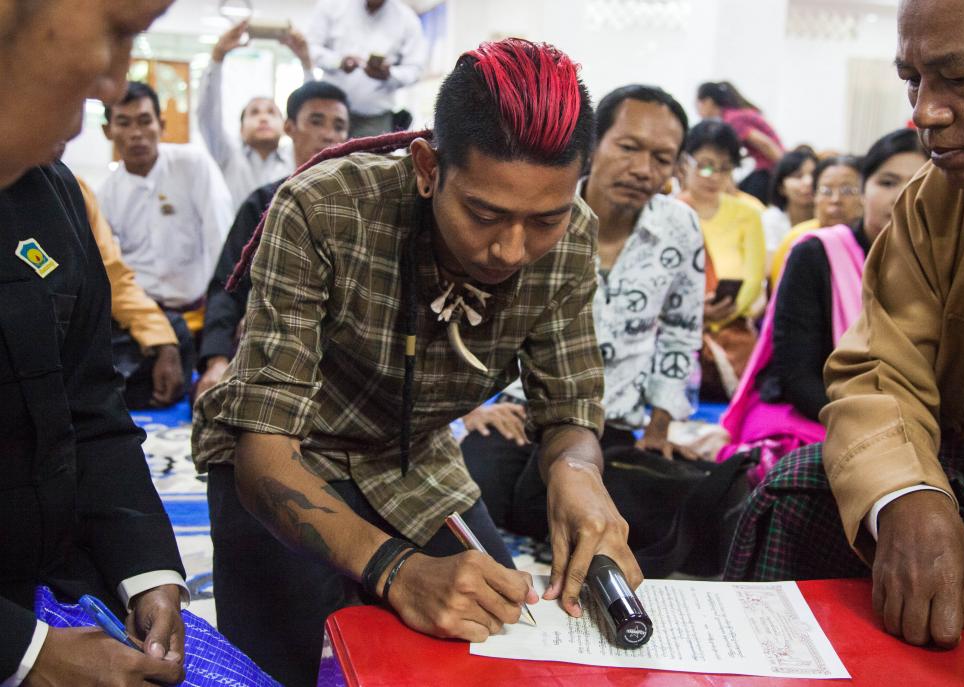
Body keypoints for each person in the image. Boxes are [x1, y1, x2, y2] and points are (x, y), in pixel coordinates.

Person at [191, 38, 641, 685]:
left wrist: (577, 473)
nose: (513, 249)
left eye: (545, 218)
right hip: (287, 457)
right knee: (273, 669)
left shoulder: (570, 238)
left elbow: (569, 415)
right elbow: (265, 450)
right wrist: (395, 569)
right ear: (428, 167)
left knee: (503, 639)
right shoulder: (324, 208)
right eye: (484, 214)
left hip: (412, 460)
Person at [726, 0, 964, 657]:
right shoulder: (942, 197)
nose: (924, 112)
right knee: (792, 493)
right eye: (913, 79)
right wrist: (908, 496)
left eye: (960, 76)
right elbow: (878, 366)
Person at [0, 1, 191, 685]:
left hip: (60, 589)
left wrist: (148, 570)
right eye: (118, 32)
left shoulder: (53, 197)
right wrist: (27, 654)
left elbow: (91, 414)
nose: (115, 83)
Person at [461, 84, 705, 537]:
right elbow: (470, 309)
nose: (642, 170)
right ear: (593, 145)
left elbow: (681, 328)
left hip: (613, 425)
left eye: (661, 158)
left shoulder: (679, 226)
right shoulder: (542, 211)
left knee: (610, 502)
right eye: (628, 148)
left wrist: (660, 425)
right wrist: (473, 408)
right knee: (475, 494)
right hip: (520, 410)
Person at [717, 129, 928, 482]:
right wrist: (868, 427)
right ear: (864, 189)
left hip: (908, 421)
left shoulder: (942, 264)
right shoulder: (816, 253)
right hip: (813, 411)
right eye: (888, 182)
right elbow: (797, 373)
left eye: (919, 182)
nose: (903, 196)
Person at [195, 80, 351, 399]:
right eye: (316, 122)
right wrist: (216, 360)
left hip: (344, 363)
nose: (329, 135)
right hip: (270, 353)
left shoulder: (361, 207)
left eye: (339, 126)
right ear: (290, 128)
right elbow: (227, 285)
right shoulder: (263, 203)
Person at [98, 81, 234, 336]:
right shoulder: (105, 194)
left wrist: (226, 311)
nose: (136, 133)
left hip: (200, 314)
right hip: (143, 322)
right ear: (108, 130)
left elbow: (221, 239)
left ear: (161, 125)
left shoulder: (193, 166)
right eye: (124, 123)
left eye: (144, 121)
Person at [77, 174, 191, 408]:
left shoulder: (72, 187)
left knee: (176, 333)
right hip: (27, 340)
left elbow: (113, 278)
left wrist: (162, 341)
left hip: (76, 331)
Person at [677, 120, 764, 401]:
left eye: (724, 168)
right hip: (678, 327)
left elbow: (753, 277)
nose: (713, 176)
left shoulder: (747, 214)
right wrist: (694, 312)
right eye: (705, 165)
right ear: (684, 163)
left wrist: (724, 311)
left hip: (732, 329)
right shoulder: (669, 211)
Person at [198, 19, 314, 208]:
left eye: (271, 112)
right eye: (254, 113)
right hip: (238, 237)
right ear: (241, 130)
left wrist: (306, 63)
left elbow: (311, 113)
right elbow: (208, 113)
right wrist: (218, 56)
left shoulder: (295, 157)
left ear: (286, 127)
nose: (263, 117)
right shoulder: (228, 157)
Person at [306, 0, 428, 138]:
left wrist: (389, 75)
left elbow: (415, 69)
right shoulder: (331, 6)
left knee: (372, 160)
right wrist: (338, 62)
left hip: (374, 120)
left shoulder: (407, 19)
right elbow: (311, 48)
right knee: (325, 159)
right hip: (329, 113)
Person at [768, 155, 864, 286]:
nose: (835, 199)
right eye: (826, 191)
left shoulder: (876, 242)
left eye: (847, 190)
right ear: (814, 196)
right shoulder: (798, 240)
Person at [696, 81, 784, 204]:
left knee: (742, 200)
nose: (697, 111)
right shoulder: (734, 115)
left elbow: (765, 144)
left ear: (708, 102)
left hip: (769, 170)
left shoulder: (733, 119)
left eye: (698, 105)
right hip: (766, 168)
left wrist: (784, 173)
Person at [761, 150, 817, 265]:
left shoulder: (829, 219)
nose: (808, 182)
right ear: (781, 187)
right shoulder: (771, 219)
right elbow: (770, 267)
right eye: (798, 176)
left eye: (814, 175)